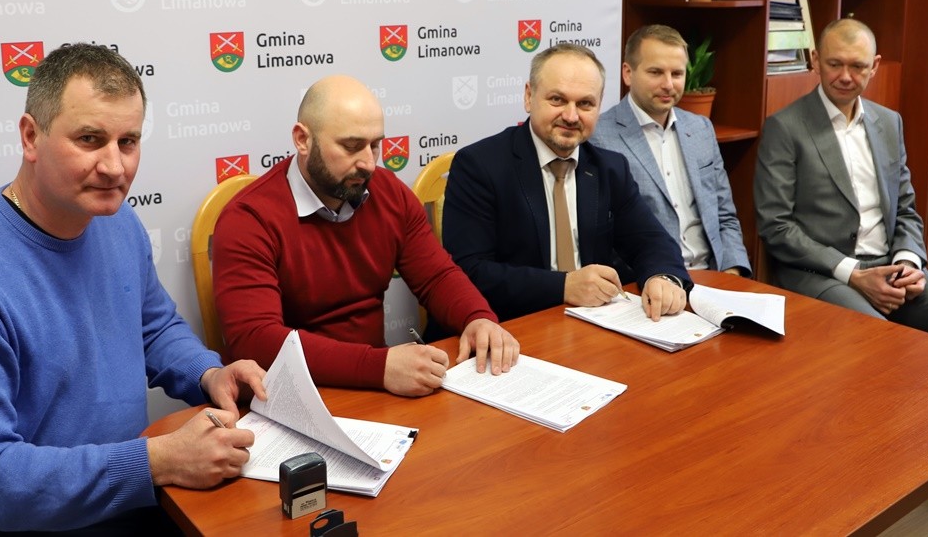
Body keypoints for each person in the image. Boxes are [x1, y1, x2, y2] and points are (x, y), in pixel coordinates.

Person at [0, 44, 266, 537]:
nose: (114, 167)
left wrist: (208, 372)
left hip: (128, 508)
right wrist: (157, 462)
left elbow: (153, 327)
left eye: (128, 142)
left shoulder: (116, 220)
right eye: (90, 139)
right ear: (31, 137)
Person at [211, 74, 519, 398]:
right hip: (290, 397)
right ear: (302, 140)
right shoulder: (249, 219)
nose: (369, 163)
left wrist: (477, 317)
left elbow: (437, 277)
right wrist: (377, 367)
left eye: (375, 145)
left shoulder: (389, 193)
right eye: (351, 146)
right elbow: (256, 340)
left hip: (376, 388)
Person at [755, 18, 928, 356]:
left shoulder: (889, 123)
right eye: (835, 64)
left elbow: (905, 209)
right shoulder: (785, 127)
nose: (845, 76)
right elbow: (776, 226)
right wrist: (853, 273)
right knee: (882, 345)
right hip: (822, 272)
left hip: (890, 266)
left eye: (857, 66)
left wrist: (909, 262)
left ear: (874, 66)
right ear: (816, 60)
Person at [442, 42, 691, 325]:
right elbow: (468, 272)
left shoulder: (610, 168)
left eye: (585, 104)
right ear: (529, 96)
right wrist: (563, 286)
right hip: (510, 325)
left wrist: (663, 277)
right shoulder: (479, 165)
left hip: (594, 324)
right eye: (557, 100)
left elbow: (651, 240)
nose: (571, 116)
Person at [593, 25, 750, 275]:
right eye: (656, 72)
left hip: (716, 275)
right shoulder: (598, 137)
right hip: (648, 281)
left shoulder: (701, 128)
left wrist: (733, 272)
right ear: (628, 73)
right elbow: (604, 238)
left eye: (677, 73)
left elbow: (725, 216)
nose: (668, 84)